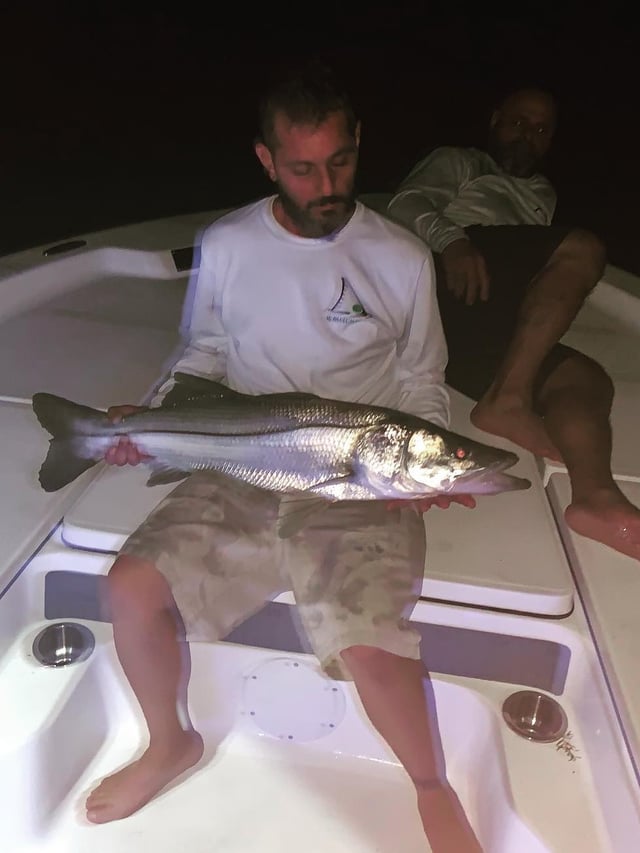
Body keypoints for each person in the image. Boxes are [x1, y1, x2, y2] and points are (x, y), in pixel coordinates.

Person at [84, 61, 483, 852]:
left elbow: (422, 378)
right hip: (246, 452)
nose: (324, 182)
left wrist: (420, 461)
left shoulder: (401, 257)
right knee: (129, 585)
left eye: (339, 161)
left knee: (368, 638)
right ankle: (171, 741)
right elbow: (206, 350)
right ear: (267, 160)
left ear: (358, 145)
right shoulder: (229, 242)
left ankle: (432, 786)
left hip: (360, 463)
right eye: (302, 167)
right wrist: (158, 415)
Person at [387, 86, 640, 562]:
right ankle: (509, 398)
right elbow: (407, 203)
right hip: (450, 280)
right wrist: (453, 243)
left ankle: (595, 497)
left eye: (541, 129)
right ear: (495, 120)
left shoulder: (544, 193)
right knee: (583, 248)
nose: (528, 135)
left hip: (477, 330)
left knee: (586, 380)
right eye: (519, 122)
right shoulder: (460, 161)